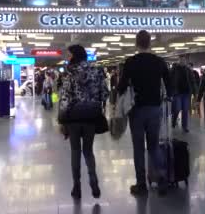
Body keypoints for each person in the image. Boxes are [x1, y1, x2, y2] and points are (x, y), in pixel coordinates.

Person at [117, 30, 172, 196]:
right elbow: (169, 84)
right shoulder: (159, 61)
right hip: (155, 108)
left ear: (136, 43)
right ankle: (162, 179)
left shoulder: (131, 62)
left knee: (139, 148)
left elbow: (121, 86)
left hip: (137, 110)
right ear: (150, 43)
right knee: (154, 146)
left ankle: (141, 184)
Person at [60, 45, 108, 199]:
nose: (68, 57)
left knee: (75, 151)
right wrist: (95, 102)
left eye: (69, 54)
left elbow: (65, 98)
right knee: (88, 151)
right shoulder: (97, 71)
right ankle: (93, 180)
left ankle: (77, 187)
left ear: (75, 55)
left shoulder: (70, 73)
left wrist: (62, 119)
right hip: (91, 116)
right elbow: (105, 94)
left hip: (74, 117)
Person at [170, 56, 195, 132]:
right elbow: (169, 80)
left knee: (185, 110)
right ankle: (174, 120)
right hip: (177, 93)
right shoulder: (174, 69)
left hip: (186, 93)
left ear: (186, 61)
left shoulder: (188, 70)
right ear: (178, 60)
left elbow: (192, 81)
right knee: (177, 108)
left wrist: (194, 91)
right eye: (181, 60)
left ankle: (185, 126)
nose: (182, 61)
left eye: (184, 60)